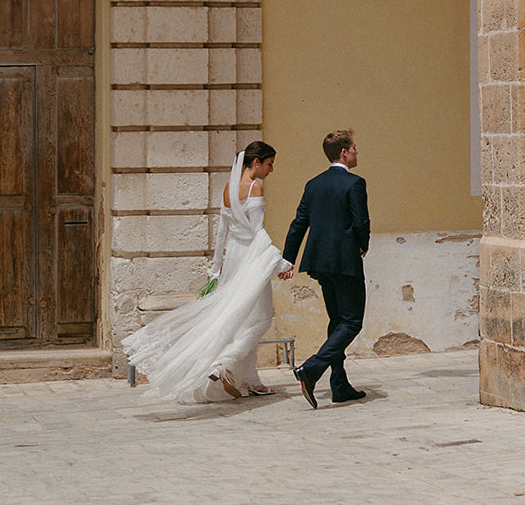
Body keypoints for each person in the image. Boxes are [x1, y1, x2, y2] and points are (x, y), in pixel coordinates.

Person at [122, 142, 289, 402]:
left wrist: (215, 270)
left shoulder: (228, 189)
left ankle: (250, 379)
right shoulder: (255, 187)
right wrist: (280, 264)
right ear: (256, 163)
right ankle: (224, 364)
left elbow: (222, 232)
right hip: (251, 259)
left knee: (240, 320)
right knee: (261, 319)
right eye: (269, 164)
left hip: (233, 257)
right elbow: (258, 233)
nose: (271, 170)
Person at [280, 129, 370, 408]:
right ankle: (312, 368)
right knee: (352, 321)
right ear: (344, 152)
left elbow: (299, 224)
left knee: (336, 321)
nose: (357, 152)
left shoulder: (313, 184)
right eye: (354, 147)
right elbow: (360, 223)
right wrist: (362, 245)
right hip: (345, 261)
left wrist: (288, 258)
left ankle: (339, 384)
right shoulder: (354, 183)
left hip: (319, 262)